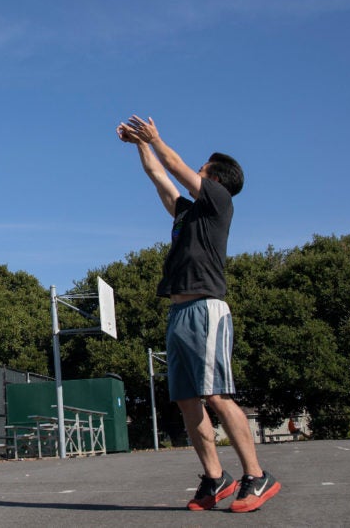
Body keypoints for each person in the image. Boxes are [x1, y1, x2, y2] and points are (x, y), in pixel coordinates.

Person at [117, 114, 281, 513]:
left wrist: (157, 137)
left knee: (216, 396)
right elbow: (160, 175)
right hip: (179, 314)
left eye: (202, 169)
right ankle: (214, 479)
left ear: (215, 181)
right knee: (188, 400)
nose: (196, 171)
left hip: (207, 308)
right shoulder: (188, 214)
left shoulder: (220, 202)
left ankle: (257, 476)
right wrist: (141, 143)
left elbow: (174, 164)